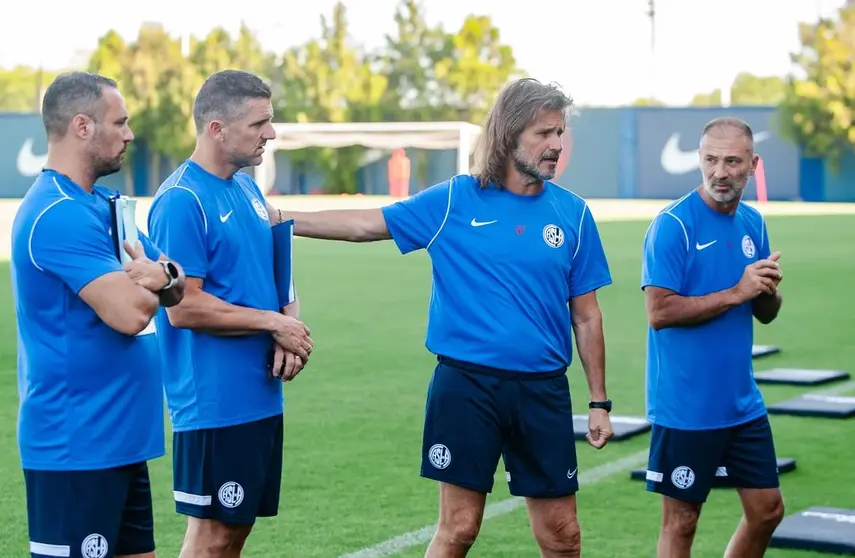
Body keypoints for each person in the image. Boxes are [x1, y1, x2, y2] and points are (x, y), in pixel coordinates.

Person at [270, 77, 614, 557]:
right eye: (543, 133)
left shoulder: (574, 215)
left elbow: (587, 317)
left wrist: (600, 401)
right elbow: (365, 225)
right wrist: (282, 218)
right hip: (467, 387)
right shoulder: (456, 199)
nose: (556, 145)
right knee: (459, 528)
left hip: (543, 391)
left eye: (559, 133)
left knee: (563, 535)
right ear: (510, 134)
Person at [10, 71, 186, 558]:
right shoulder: (57, 213)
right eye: (121, 122)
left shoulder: (107, 205)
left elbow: (178, 279)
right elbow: (131, 314)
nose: (129, 134)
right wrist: (155, 278)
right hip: (76, 445)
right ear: (83, 126)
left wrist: (159, 277)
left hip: (121, 442)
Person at [146, 69, 313, 558]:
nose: (272, 133)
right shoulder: (182, 200)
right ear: (217, 128)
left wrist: (290, 327)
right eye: (259, 123)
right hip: (213, 402)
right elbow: (184, 306)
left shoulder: (247, 190)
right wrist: (274, 324)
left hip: (259, 393)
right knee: (213, 535)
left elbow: (277, 272)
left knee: (234, 531)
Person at [640, 117, 785, 558]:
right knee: (681, 523)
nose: (720, 171)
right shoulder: (673, 225)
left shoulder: (753, 223)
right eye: (710, 160)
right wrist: (737, 291)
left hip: (741, 402)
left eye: (732, 161)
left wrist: (766, 291)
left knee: (767, 511)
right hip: (686, 407)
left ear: (753, 165)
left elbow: (765, 312)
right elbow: (659, 312)